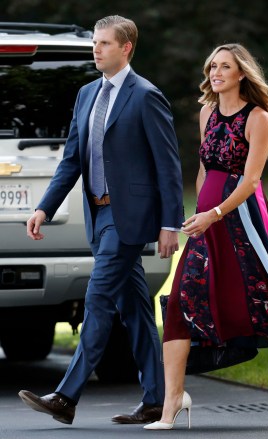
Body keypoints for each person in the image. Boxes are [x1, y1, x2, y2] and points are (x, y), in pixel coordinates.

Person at [18, 14, 183, 426]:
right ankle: (159, 400)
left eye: (105, 43)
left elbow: (168, 166)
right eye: (95, 42)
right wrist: (44, 207)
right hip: (98, 214)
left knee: (97, 297)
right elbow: (72, 159)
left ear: (126, 48)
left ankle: (66, 396)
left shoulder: (146, 95)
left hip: (129, 218)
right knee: (135, 310)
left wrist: (170, 224)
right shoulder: (86, 94)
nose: (96, 49)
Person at [144, 43, 268, 431]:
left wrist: (216, 212)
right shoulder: (206, 112)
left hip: (244, 221)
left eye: (224, 66)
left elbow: (252, 180)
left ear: (242, 74)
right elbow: (205, 169)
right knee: (180, 304)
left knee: (267, 301)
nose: (215, 72)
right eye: (212, 67)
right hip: (205, 222)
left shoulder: (258, 117)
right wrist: (198, 212)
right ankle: (171, 402)